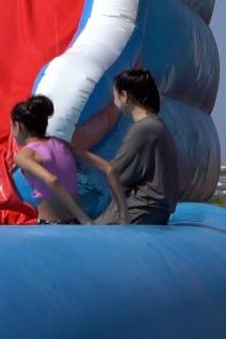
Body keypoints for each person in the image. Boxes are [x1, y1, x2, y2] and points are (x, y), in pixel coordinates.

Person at [10, 96, 127, 225]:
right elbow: (110, 169)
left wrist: (85, 219)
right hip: (74, 223)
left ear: (17, 126)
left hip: (50, 225)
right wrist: (123, 215)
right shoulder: (62, 144)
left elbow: (52, 180)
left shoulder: (24, 155)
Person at [97, 68, 180, 225]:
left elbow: (116, 173)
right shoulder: (157, 126)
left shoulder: (143, 129)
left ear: (125, 96)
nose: (114, 102)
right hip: (152, 210)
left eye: (115, 96)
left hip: (140, 209)